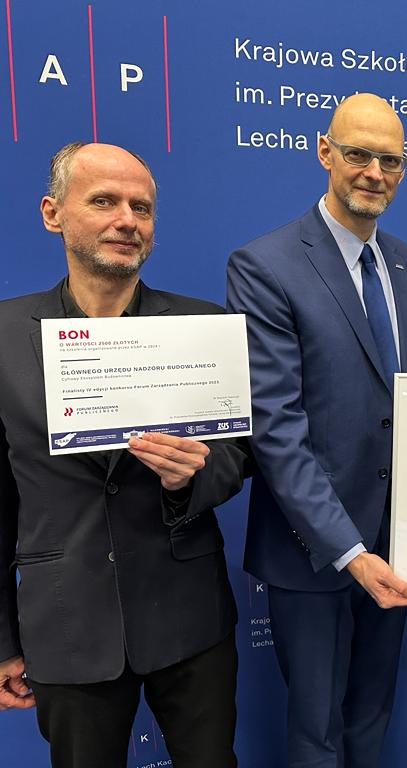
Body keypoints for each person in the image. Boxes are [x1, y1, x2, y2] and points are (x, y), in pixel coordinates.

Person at [226, 93, 407, 768]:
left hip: (399, 538)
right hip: (314, 549)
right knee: (316, 732)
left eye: (391, 160)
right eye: (358, 154)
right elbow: (276, 428)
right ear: (324, 152)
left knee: (370, 718)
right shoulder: (265, 265)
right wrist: (351, 552)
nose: (374, 172)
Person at [0, 142, 249, 767]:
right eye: (104, 201)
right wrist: (2, 639)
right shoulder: (2, 337)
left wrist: (188, 479)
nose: (126, 221)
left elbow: (237, 456)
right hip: (67, 625)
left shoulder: (201, 327)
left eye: (141, 207)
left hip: (191, 623)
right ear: (52, 213)